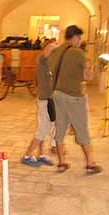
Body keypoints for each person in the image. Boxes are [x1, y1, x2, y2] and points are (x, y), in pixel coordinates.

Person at [42, 25, 102, 174]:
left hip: (57, 94)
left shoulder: (57, 50)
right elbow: (87, 77)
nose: (80, 41)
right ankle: (90, 163)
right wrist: (93, 68)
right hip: (73, 96)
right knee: (82, 129)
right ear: (75, 38)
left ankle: (62, 163)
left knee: (60, 128)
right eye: (80, 38)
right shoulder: (78, 53)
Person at [21, 39, 58, 167]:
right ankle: (27, 156)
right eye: (52, 47)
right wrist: (58, 45)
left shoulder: (50, 63)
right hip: (45, 100)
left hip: (50, 100)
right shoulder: (41, 59)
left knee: (46, 127)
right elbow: (49, 49)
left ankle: (41, 154)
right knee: (42, 130)